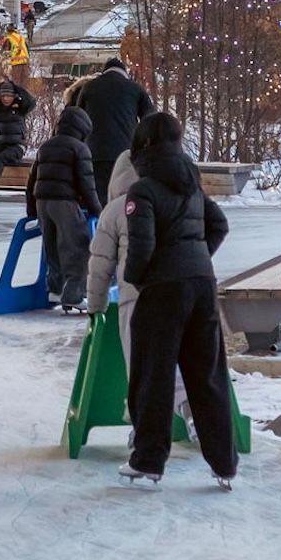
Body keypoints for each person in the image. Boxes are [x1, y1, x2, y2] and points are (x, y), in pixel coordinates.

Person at [119, 112, 236, 490]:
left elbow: (141, 247)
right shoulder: (192, 186)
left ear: (142, 148)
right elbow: (218, 225)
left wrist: (139, 277)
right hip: (202, 286)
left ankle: (148, 460)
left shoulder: (143, 191)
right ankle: (224, 463)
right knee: (208, 376)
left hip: (163, 292)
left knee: (153, 377)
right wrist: (197, 258)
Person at [88, 145, 188, 422]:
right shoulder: (176, 203)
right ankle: (190, 407)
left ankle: (142, 424)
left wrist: (96, 305)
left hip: (137, 299)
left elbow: (100, 265)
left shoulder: (115, 210)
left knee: (141, 363)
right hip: (180, 294)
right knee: (180, 357)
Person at [26, 104, 99, 313]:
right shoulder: (79, 148)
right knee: (77, 246)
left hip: (42, 202)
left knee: (52, 247)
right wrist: (96, 209)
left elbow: (32, 180)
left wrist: (31, 209)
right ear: (83, 128)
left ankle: (56, 289)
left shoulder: (46, 146)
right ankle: (73, 294)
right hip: (64, 202)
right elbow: (87, 183)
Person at [74, 57, 155, 205]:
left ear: (104, 71)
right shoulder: (135, 88)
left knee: (97, 200)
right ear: (124, 72)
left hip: (94, 152)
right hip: (125, 153)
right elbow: (150, 120)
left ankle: (100, 219)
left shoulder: (89, 87)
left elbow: (77, 118)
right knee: (122, 199)